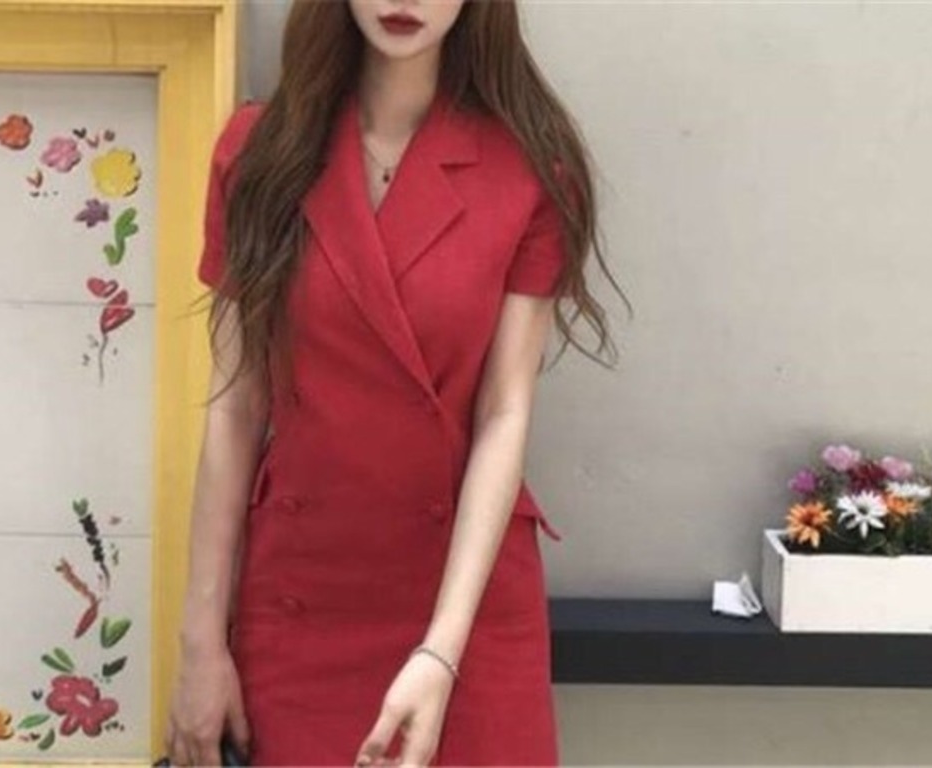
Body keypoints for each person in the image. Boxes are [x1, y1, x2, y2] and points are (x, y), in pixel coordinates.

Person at [166, 0, 624, 765]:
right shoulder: (259, 153)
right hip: (302, 596)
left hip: (465, 602)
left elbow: (505, 413)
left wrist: (441, 653)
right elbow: (235, 408)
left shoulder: (532, 168)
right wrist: (199, 645)